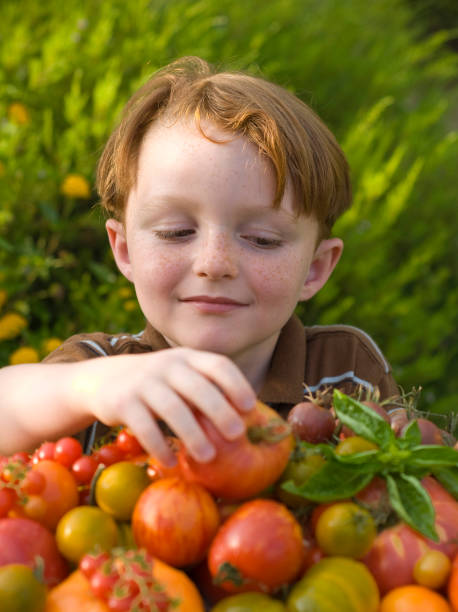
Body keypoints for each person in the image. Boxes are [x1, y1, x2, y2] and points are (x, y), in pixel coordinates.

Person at [0, 56, 400, 463]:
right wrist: (85, 388)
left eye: (262, 240)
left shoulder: (344, 372)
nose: (214, 263)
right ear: (124, 250)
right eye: (176, 232)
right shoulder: (101, 369)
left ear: (315, 268)